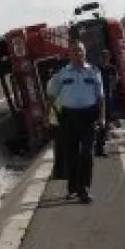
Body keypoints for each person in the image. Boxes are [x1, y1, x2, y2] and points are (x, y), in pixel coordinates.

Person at [46, 41, 105, 203]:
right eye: (74, 51)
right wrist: (48, 116)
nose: (77, 54)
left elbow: (100, 97)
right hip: (69, 117)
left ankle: (84, 188)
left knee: (87, 153)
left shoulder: (94, 72)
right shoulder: (62, 74)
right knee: (71, 154)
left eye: (80, 51)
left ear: (84, 53)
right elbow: (51, 96)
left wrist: (102, 117)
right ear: (69, 54)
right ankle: (72, 188)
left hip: (88, 116)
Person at [95, 49, 119, 157]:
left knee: (105, 124)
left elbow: (115, 83)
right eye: (103, 57)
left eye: (107, 57)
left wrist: (109, 94)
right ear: (99, 58)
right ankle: (97, 147)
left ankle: (100, 147)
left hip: (108, 101)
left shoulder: (112, 69)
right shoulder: (95, 70)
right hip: (97, 100)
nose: (105, 59)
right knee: (97, 123)